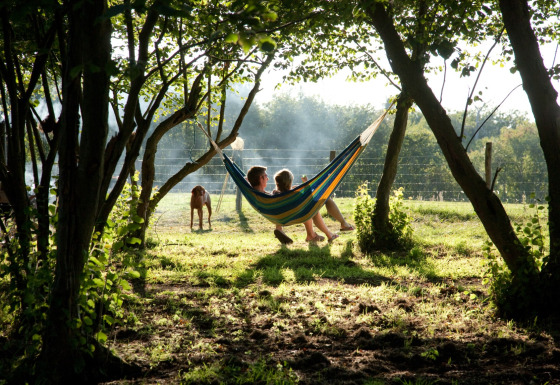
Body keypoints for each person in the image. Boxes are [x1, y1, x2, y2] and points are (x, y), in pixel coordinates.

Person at [247, 166, 338, 244]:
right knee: (309, 207)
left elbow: (278, 196)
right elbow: (306, 198)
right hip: (289, 216)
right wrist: (304, 187)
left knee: (307, 208)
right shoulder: (266, 196)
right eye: (266, 176)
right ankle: (318, 235)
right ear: (260, 178)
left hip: (279, 216)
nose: (267, 179)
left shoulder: (257, 194)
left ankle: (310, 234)